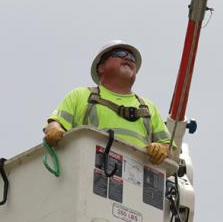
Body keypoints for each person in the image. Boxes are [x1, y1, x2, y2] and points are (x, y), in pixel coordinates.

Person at [43, 40, 171, 164]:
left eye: (132, 57)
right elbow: (56, 124)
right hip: (89, 171)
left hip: (138, 180)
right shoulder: (81, 95)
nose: (129, 58)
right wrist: (54, 129)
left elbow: (169, 150)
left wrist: (163, 149)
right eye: (120, 54)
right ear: (101, 68)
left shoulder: (148, 107)